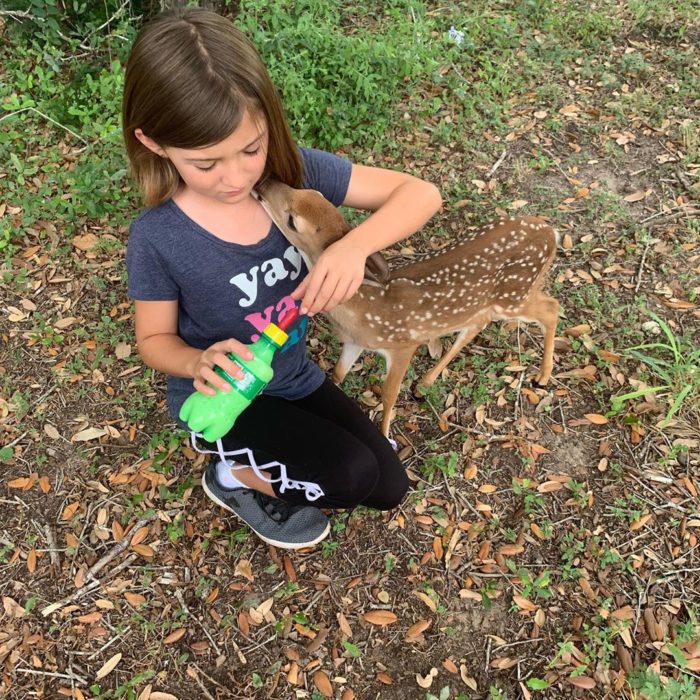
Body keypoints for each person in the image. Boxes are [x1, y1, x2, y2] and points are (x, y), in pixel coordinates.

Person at [122, 8, 442, 549]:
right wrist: (197, 361)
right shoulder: (158, 237)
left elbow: (422, 193)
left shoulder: (294, 176)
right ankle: (231, 477)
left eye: (252, 148)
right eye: (206, 163)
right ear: (155, 144)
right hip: (230, 398)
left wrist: (354, 248)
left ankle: (264, 464)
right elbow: (154, 340)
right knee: (349, 478)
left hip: (292, 374)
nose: (239, 176)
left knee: (388, 486)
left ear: (267, 120)